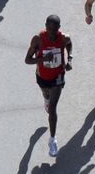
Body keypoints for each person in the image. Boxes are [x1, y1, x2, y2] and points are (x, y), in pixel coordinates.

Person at [25, 15, 72, 157]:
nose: (51, 31)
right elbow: (27, 60)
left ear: (59, 28)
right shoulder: (38, 39)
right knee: (46, 96)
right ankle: (46, 98)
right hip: (42, 77)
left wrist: (69, 58)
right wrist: (43, 59)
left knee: (52, 109)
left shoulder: (63, 38)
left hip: (58, 76)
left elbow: (69, 44)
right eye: (49, 28)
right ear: (45, 26)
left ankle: (52, 140)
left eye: (54, 29)